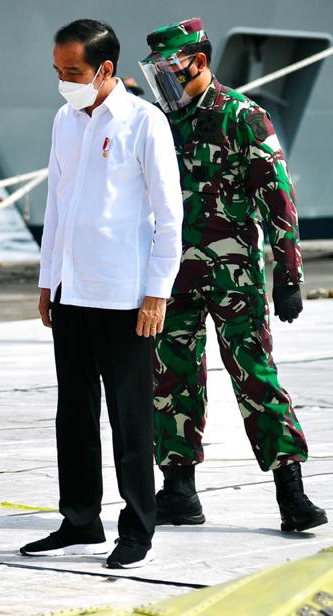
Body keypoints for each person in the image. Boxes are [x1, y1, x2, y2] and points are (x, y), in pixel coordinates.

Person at [140, 19, 327, 531]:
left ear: (198, 62)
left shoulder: (242, 115)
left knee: (255, 377)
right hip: (171, 274)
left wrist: (288, 275)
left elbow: (277, 197)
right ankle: (178, 489)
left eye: (170, 69)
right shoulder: (158, 121)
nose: (164, 80)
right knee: (171, 378)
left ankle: (291, 492)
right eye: (157, 72)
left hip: (234, 276)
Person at [19, 19, 183, 568]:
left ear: (105, 69)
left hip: (124, 297)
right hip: (72, 291)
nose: (63, 82)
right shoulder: (64, 121)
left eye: (73, 72)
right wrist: (48, 280)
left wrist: (157, 293)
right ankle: (80, 520)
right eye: (57, 71)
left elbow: (169, 216)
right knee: (74, 414)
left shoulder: (144, 122)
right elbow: (57, 206)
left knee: (130, 419)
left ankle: (137, 528)